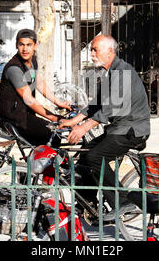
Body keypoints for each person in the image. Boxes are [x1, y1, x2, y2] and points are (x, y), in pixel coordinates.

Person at [58, 34, 151, 221]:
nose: (92, 54)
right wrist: (72, 122)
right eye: (91, 49)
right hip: (119, 129)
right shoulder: (108, 73)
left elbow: (110, 109)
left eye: (95, 49)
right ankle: (89, 205)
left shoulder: (123, 72)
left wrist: (83, 128)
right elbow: (96, 105)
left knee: (94, 157)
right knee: (84, 157)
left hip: (131, 130)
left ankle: (122, 201)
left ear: (110, 51)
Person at [0, 28, 71, 147]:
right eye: (21, 45)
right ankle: (44, 165)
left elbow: (38, 82)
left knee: (51, 137)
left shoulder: (32, 61)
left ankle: (42, 163)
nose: (25, 49)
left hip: (23, 114)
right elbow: (29, 100)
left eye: (29, 45)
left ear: (35, 46)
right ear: (16, 46)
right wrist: (54, 117)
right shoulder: (14, 69)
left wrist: (58, 102)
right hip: (11, 118)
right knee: (52, 135)